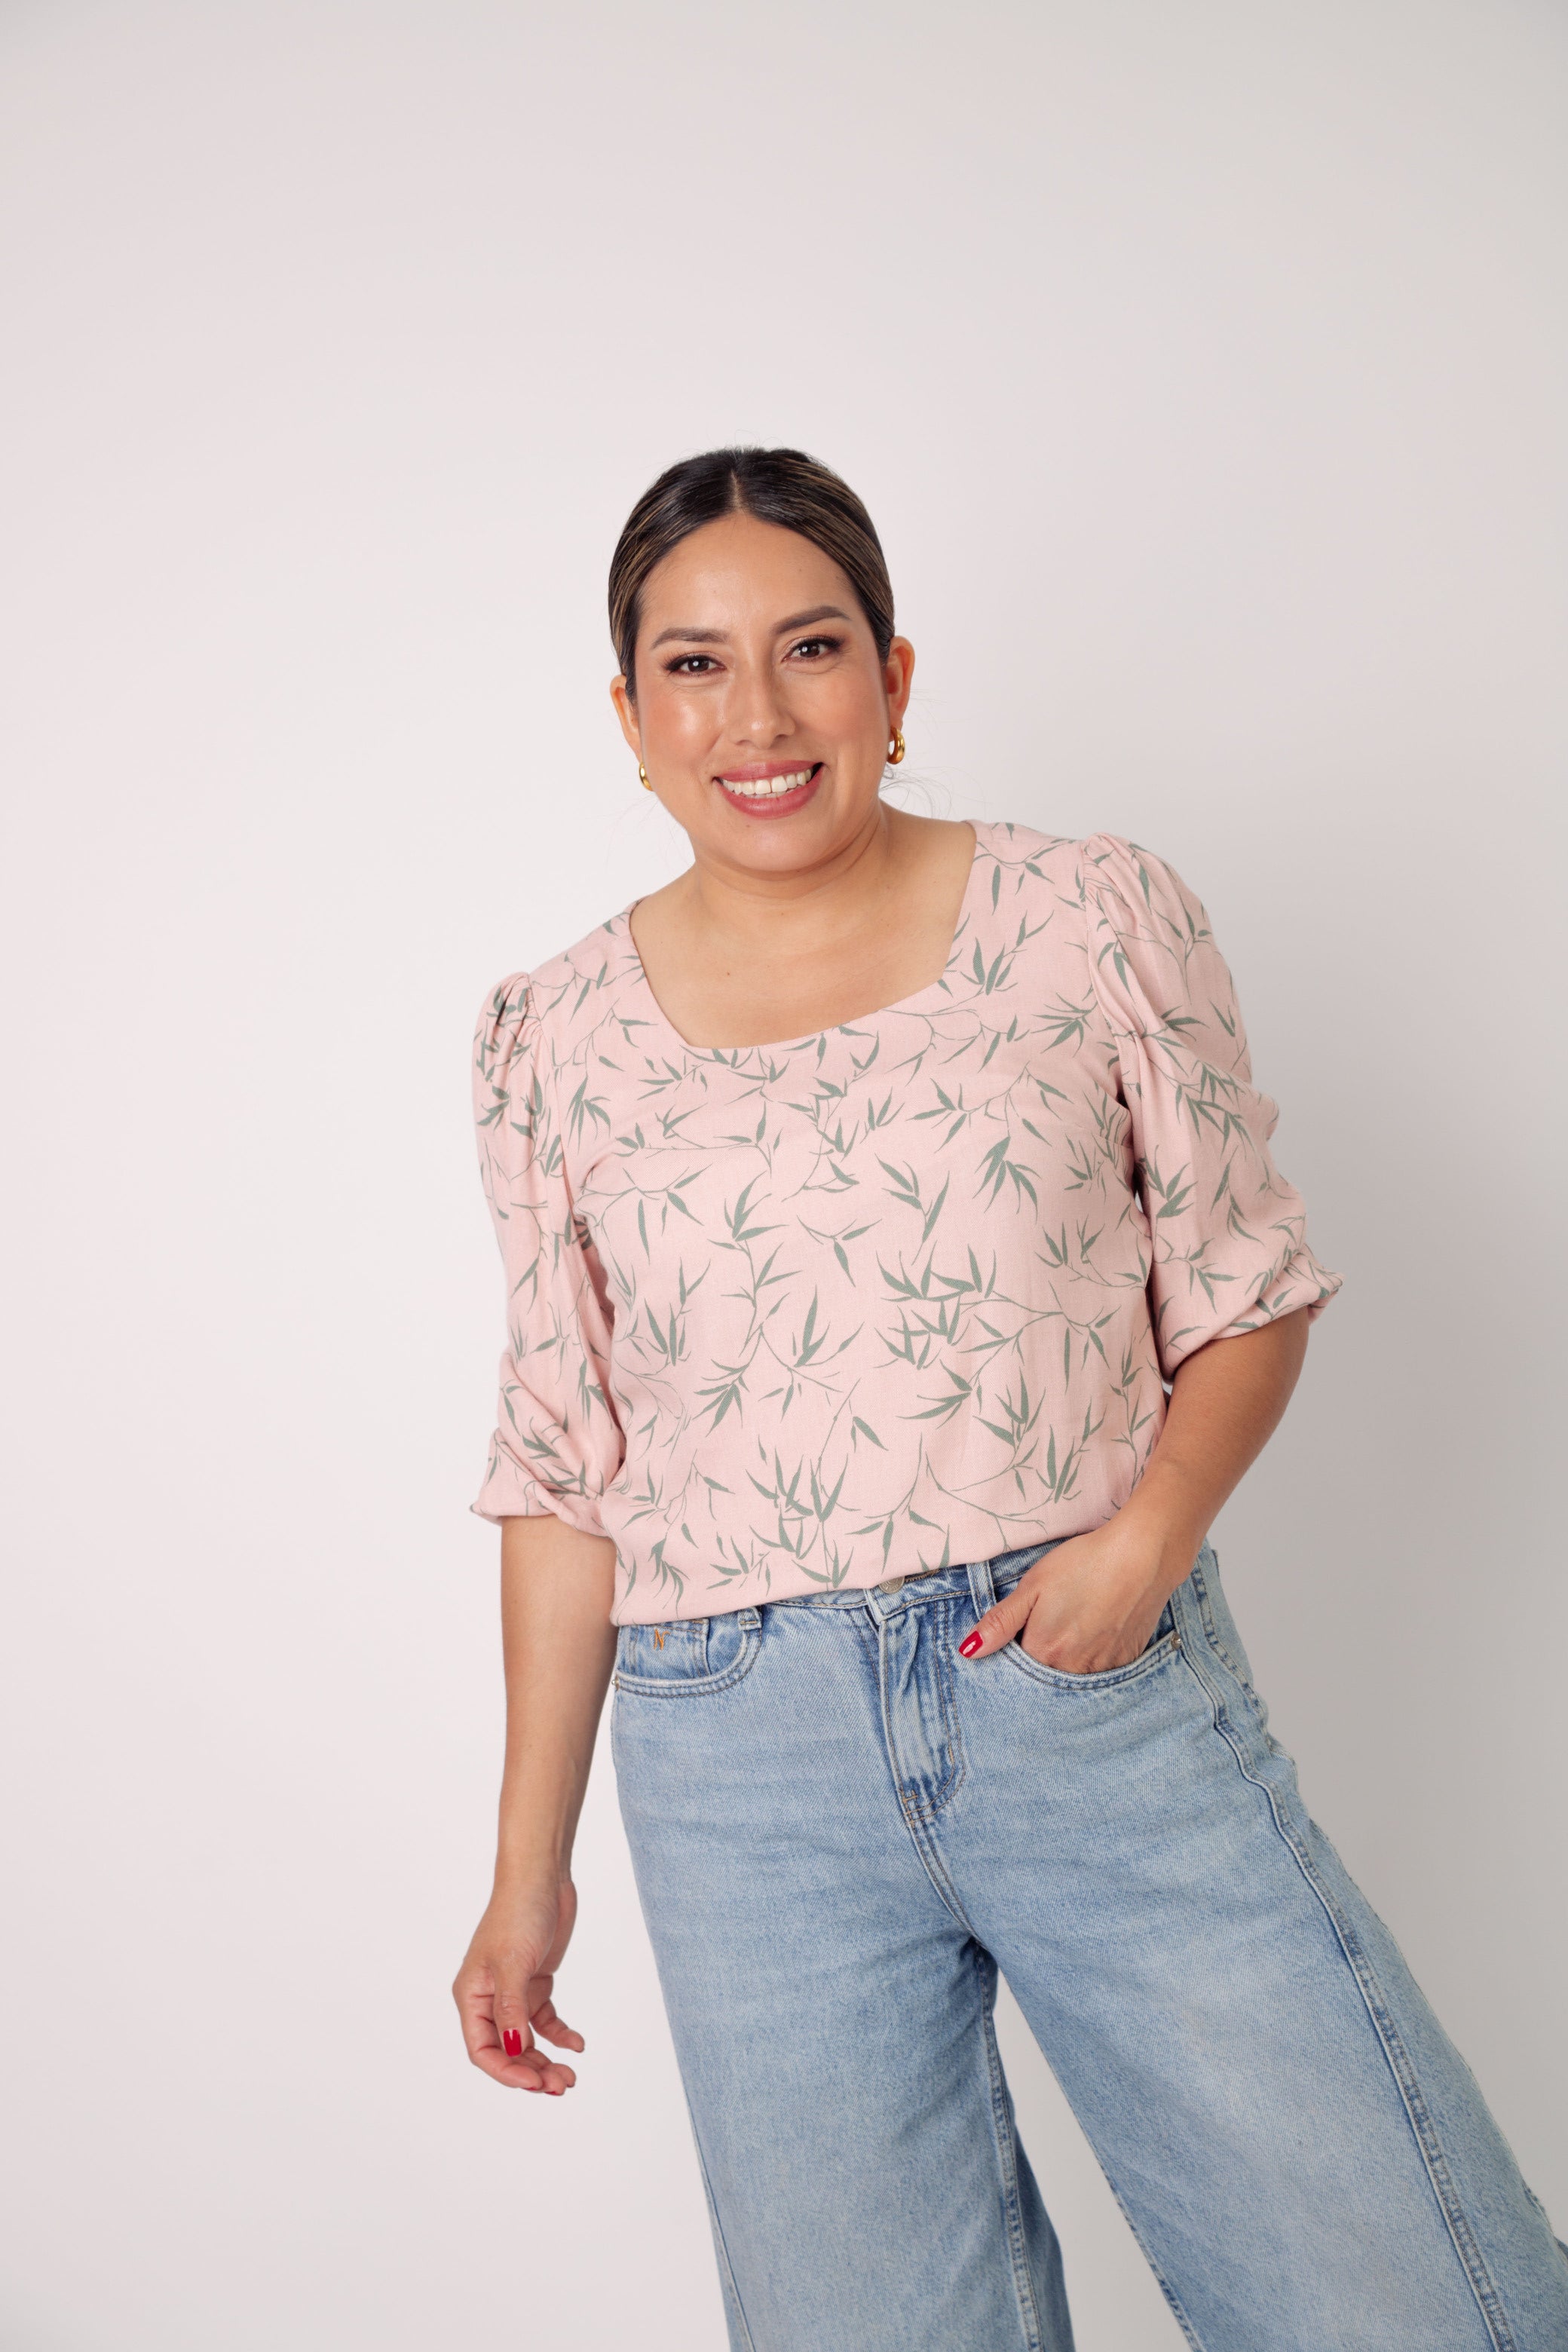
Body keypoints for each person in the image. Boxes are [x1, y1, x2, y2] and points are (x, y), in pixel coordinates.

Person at [452, 446, 1567, 2352]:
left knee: (1400, 2295)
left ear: (891, 679)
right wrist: (521, 1874)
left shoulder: (1088, 915)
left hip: (1079, 1682)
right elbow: (566, 1469)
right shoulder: (547, 1035)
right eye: (694, 666)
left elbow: (1243, 1289)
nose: (756, 714)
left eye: (810, 647)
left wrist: (1142, 1547)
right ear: (629, 718)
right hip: (738, 1769)